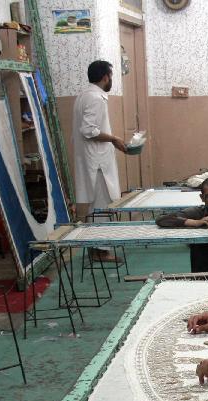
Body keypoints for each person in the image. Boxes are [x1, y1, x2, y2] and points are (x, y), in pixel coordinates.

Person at [72, 60, 128, 262]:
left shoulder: (85, 95)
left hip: (93, 161)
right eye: (111, 76)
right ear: (105, 77)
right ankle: (101, 250)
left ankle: (96, 247)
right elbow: (88, 130)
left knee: (98, 206)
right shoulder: (95, 98)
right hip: (97, 165)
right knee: (103, 206)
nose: (111, 80)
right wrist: (114, 139)